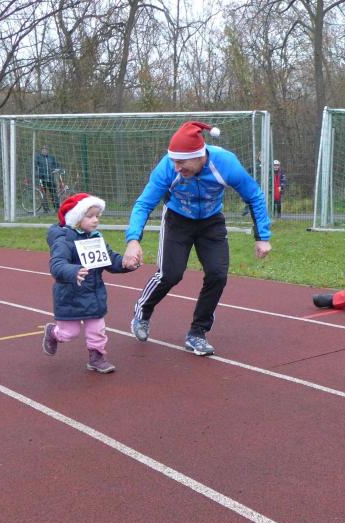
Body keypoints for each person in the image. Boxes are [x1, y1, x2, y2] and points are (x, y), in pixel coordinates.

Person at [122, 121, 272, 355]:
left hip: (211, 221)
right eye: (174, 161)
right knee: (170, 274)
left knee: (217, 275)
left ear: (200, 155)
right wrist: (133, 240)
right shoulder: (167, 168)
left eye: (181, 162)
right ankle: (142, 313)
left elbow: (254, 196)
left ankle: (197, 332)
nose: (176, 167)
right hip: (177, 220)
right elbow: (144, 203)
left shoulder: (226, 163)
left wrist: (262, 236)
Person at [42, 192, 136, 373]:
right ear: (76, 218)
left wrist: (126, 263)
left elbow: (110, 260)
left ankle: (97, 357)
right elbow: (57, 264)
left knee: (97, 330)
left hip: (94, 295)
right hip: (70, 296)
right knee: (69, 333)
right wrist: (73, 271)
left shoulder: (96, 238)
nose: (95, 220)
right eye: (90, 216)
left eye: (97, 216)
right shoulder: (64, 241)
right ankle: (53, 333)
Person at [34, 145, 62, 213]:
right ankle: (46, 209)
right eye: (43, 149)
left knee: (54, 193)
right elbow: (35, 167)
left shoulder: (52, 157)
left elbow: (57, 165)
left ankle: (57, 208)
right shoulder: (38, 157)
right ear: (41, 150)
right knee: (44, 194)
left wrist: (59, 169)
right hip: (42, 178)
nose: (44, 150)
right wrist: (37, 174)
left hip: (50, 178)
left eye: (46, 149)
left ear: (48, 150)